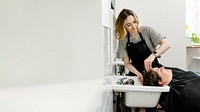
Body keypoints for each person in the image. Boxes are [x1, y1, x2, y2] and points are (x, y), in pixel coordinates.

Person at [115, 8, 170, 112]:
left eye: (134, 22)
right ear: (123, 26)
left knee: (151, 102)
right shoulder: (123, 40)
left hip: (154, 72)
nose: (134, 26)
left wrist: (153, 55)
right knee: (137, 102)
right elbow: (127, 63)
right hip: (137, 74)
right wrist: (137, 73)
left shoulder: (146, 31)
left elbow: (166, 44)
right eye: (129, 25)